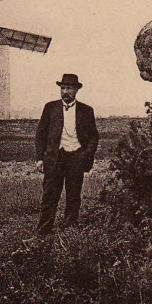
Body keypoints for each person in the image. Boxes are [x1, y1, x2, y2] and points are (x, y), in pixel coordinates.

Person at [35, 74, 99, 235]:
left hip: (76, 157)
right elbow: (40, 134)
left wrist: (86, 154)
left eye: (69, 88)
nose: (65, 91)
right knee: (49, 196)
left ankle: (69, 230)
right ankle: (44, 231)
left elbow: (93, 136)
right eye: (63, 88)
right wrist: (39, 158)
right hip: (55, 158)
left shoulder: (86, 110)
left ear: (76, 90)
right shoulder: (50, 108)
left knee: (73, 196)